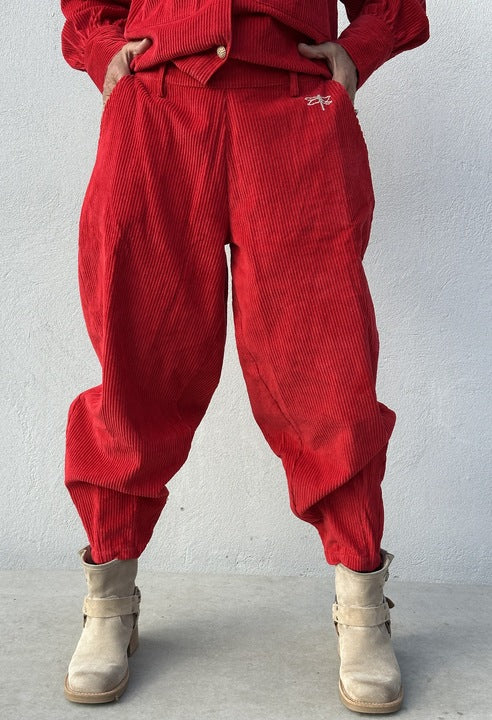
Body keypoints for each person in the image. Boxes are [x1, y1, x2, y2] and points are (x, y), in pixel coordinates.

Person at [58, 0, 429, 712]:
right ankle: (109, 600)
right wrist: (104, 48)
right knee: (138, 358)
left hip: (296, 107)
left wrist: (359, 52)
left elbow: (395, 7)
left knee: (326, 366)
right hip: (158, 107)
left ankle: (361, 604)